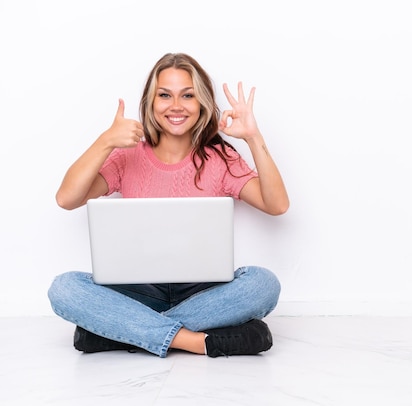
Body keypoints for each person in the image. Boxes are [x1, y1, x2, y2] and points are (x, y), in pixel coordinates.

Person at [47, 52, 289, 358]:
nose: (176, 106)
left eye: (187, 95)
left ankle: (123, 333)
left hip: (203, 291)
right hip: (139, 291)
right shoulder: (127, 155)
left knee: (262, 284)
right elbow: (66, 198)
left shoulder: (220, 158)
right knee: (64, 288)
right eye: (165, 95)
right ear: (151, 102)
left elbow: (277, 204)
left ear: (201, 102)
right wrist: (105, 140)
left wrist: (254, 138)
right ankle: (195, 341)